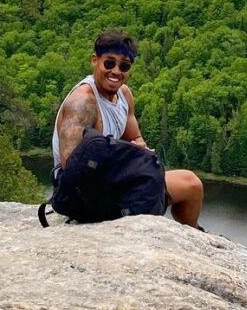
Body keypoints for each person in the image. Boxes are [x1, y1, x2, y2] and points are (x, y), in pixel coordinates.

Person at [53, 28, 204, 228]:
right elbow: (72, 169)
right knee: (157, 187)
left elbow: (138, 140)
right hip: (87, 195)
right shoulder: (83, 103)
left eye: (124, 66)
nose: (116, 71)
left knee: (192, 184)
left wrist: (137, 155)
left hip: (116, 181)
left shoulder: (123, 95)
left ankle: (191, 237)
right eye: (109, 63)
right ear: (94, 60)